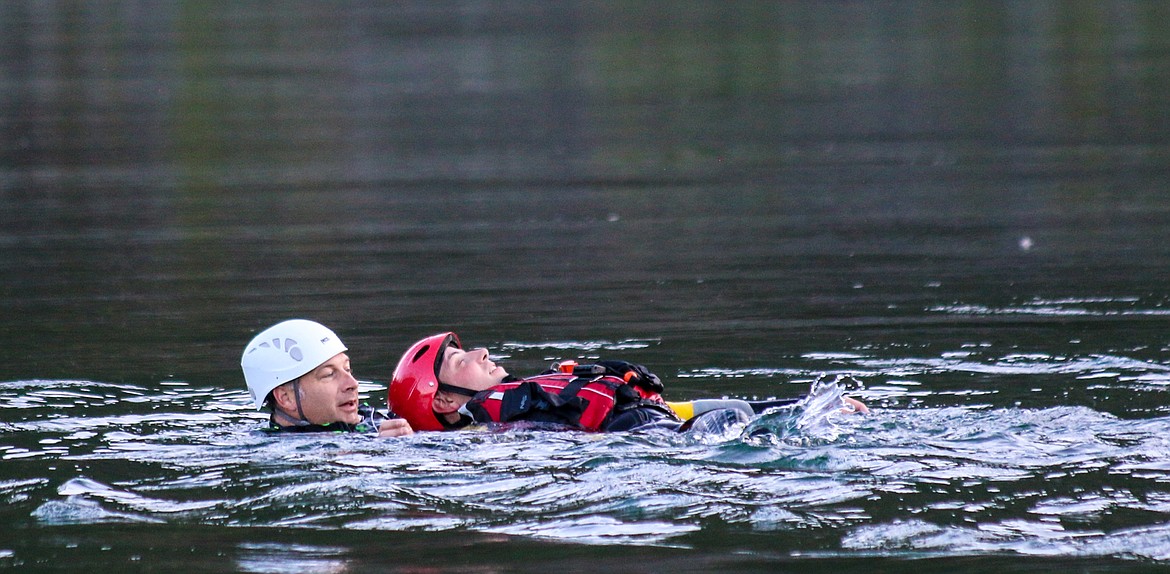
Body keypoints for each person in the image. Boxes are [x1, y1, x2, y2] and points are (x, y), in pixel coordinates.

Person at [388, 332, 866, 434]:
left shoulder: (522, 399)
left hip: (657, 426)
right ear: (446, 400)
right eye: (457, 359)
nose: (480, 351)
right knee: (733, 421)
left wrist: (807, 404)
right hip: (640, 441)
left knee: (741, 411)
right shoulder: (486, 431)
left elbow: (679, 411)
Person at [241, 319, 413, 437]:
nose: (352, 384)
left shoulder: (376, 420)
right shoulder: (290, 454)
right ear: (286, 398)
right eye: (329, 374)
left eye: (347, 369)